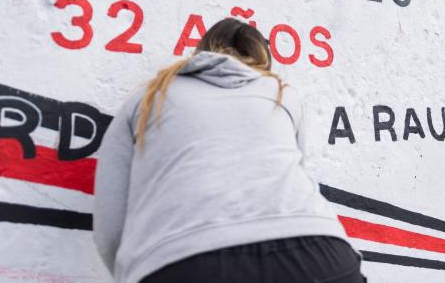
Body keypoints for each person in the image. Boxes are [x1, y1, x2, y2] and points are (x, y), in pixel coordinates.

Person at [93, 18, 364, 283]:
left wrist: (142, 266)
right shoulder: (281, 93)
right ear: (263, 58)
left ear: (201, 49)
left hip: (183, 261)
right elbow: (299, 171)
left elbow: (110, 228)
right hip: (318, 253)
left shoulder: (149, 96)